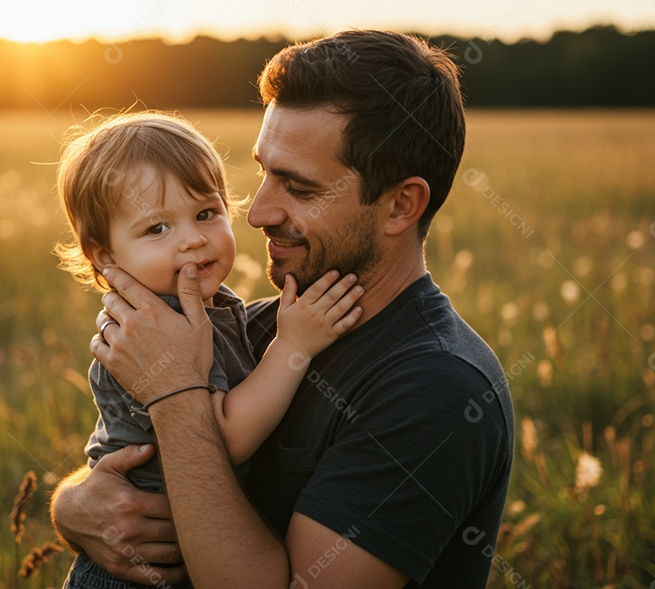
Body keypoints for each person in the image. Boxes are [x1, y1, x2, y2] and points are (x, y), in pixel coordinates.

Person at [52, 30, 515, 588]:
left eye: (298, 187)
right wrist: (75, 505)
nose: (257, 213)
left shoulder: (437, 390)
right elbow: (136, 450)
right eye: (264, 173)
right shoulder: (257, 326)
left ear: (400, 205)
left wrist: (174, 393)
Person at [53, 111, 365, 588]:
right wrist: (293, 345)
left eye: (206, 213)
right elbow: (227, 439)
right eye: (157, 229)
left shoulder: (212, 307)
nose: (194, 239)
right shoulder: (160, 327)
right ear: (105, 255)